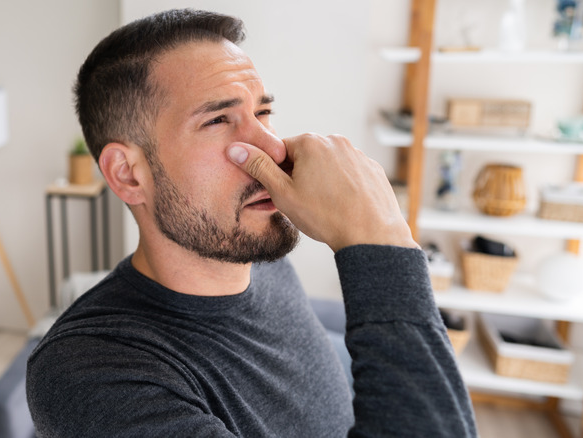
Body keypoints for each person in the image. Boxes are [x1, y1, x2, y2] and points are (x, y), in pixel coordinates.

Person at [27, 8, 476, 437]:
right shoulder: (89, 373)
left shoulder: (262, 260)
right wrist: (379, 242)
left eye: (262, 113)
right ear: (128, 174)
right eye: (219, 120)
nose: (272, 149)